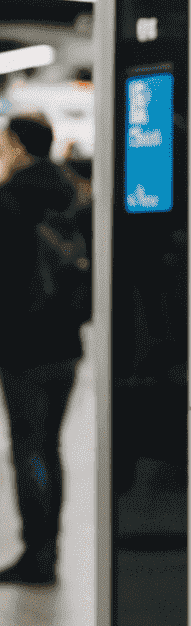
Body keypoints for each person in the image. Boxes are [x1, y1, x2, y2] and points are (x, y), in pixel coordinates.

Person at [0, 113, 87, 585]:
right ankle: (46, 546)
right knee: (49, 447)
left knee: (30, 448)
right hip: (66, 343)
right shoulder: (70, 197)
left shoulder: (9, 200)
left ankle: (38, 552)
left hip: (24, 347)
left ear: (16, 145)